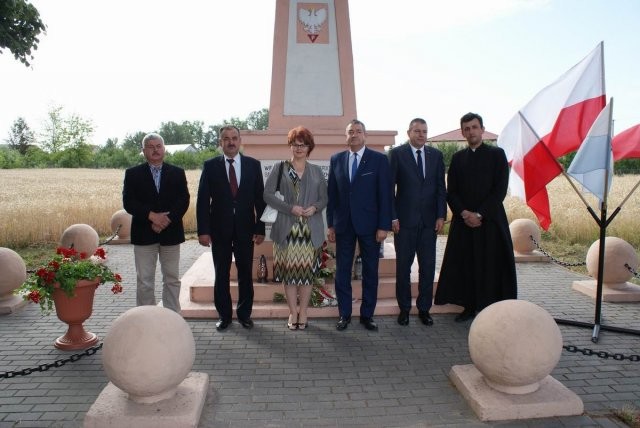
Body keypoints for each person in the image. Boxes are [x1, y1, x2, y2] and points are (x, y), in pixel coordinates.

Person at [434, 112, 517, 322]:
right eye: (467, 128)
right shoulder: (457, 158)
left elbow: (500, 190)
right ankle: (469, 306)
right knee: (467, 265)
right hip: (464, 223)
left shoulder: (497, 154)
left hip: (490, 221)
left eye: (474, 127)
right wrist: (464, 213)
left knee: (491, 265)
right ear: (463, 132)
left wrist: (479, 214)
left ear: (482, 129)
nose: (471, 131)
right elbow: (451, 191)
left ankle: (491, 308)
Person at [196, 125, 266, 331]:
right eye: (226, 138)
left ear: (240, 140)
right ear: (221, 142)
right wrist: (203, 231)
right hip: (219, 229)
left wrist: (260, 228)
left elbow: (259, 199)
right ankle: (224, 316)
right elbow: (202, 201)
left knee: (245, 273)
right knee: (221, 273)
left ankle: (244, 315)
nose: (231, 142)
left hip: (246, 229)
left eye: (234, 138)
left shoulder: (253, 165)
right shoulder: (210, 166)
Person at [326, 119, 393, 331]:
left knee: (370, 272)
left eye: (358, 131)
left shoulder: (379, 160)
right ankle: (344, 314)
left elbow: (386, 195)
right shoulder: (336, 159)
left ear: (364, 136)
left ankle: (367, 316)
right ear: (346, 136)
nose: (354, 135)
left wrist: (384, 226)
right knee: (342, 272)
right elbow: (332, 195)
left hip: (371, 227)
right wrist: (331, 225)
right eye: (350, 132)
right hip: (344, 226)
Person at [264, 126, 328, 330]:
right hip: (287, 231)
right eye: (295, 144)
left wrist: (315, 208)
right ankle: (293, 313)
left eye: (303, 144)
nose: (299, 148)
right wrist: (290, 208)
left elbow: (324, 197)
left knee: (306, 275)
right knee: (289, 276)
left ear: (309, 147)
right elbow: (268, 195)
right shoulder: (280, 168)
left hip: (310, 231)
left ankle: (304, 312)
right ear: (290, 146)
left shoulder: (316, 171)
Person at [123, 132, 190, 313]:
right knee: (145, 280)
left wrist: (166, 220)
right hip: (144, 233)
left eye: (158, 146)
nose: (155, 150)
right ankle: (146, 318)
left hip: (171, 232)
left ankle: (172, 316)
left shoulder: (177, 172)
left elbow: (183, 200)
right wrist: (152, 216)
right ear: (143, 150)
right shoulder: (132, 174)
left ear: (164, 149)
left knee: (172, 278)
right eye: (150, 147)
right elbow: (129, 203)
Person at [390, 118, 446, 327]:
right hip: (403, 223)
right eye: (417, 131)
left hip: (429, 223)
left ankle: (424, 309)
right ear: (409, 133)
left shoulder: (436, 156)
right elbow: (389, 189)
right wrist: (392, 217)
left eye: (424, 131)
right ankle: (404, 309)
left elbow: (441, 188)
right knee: (403, 268)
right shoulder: (397, 154)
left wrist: (441, 215)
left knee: (428, 267)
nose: (421, 135)